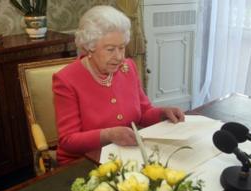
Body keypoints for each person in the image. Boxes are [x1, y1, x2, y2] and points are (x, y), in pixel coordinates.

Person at [52, 5, 185, 165]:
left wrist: (162, 113)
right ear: (89, 47)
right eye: (110, 49)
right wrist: (108, 135)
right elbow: (68, 140)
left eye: (122, 48)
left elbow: (144, 113)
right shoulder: (66, 80)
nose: (119, 57)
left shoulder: (128, 68)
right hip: (83, 162)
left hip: (127, 155)